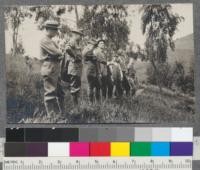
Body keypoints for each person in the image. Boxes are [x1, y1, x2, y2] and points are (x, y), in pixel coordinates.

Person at [40, 20, 63, 121]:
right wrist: (60, 51)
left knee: (59, 92)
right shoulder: (45, 40)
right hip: (49, 67)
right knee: (50, 93)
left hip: (54, 67)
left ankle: (58, 115)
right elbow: (56, 52)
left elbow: (59, 53)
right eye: (54, 30)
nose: (55, 32)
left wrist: (60, 52)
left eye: (56, 30)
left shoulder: (51, 40)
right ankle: (52, 117)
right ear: (48, 29)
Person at [62, 29, 84, 106]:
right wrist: (74, 56)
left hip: (77, 68)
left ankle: (77, 105)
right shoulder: (72, 41)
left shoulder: (77, 43)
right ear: (76, 34)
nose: (81, 37)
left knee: (77, 86)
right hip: (74, 67)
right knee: (74, 87)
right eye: (80, 35)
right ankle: (75, 107)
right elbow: (67, 48)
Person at [83, 39, 101, 103]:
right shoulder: (88, 51)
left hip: (94, 72)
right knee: (91, 87)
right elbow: (95, 58)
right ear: (90, 44)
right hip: (90, 71)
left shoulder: (91, 51)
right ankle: (91, 103)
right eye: (94, 45)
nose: (94, 47)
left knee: (98, 86)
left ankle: (96, 102)